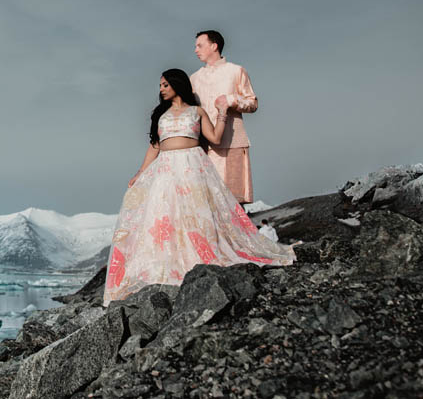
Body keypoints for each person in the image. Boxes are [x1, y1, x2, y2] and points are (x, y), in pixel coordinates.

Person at [102, 69, 295, 306]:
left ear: (176, 84)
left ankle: (201, 258)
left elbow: (214, 138)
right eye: (160, 85)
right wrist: (140, 172)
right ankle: (166, 264)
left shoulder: (197, 111)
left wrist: (223, 113)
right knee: (164, 216)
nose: (161, 89)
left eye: (164, 84)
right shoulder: (160, 115)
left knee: (195, 213)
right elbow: (154, 145)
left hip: (192, 165)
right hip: (165, 168)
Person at [190, 30, 257, 203]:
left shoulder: (236, 71)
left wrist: (231, 100)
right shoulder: (194, 79)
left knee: (233, 202)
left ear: (214, 46)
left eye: (200, 45)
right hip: (203, 146)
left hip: (232, 143)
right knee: (206, 201)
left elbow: (252, 103)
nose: (196, 50)